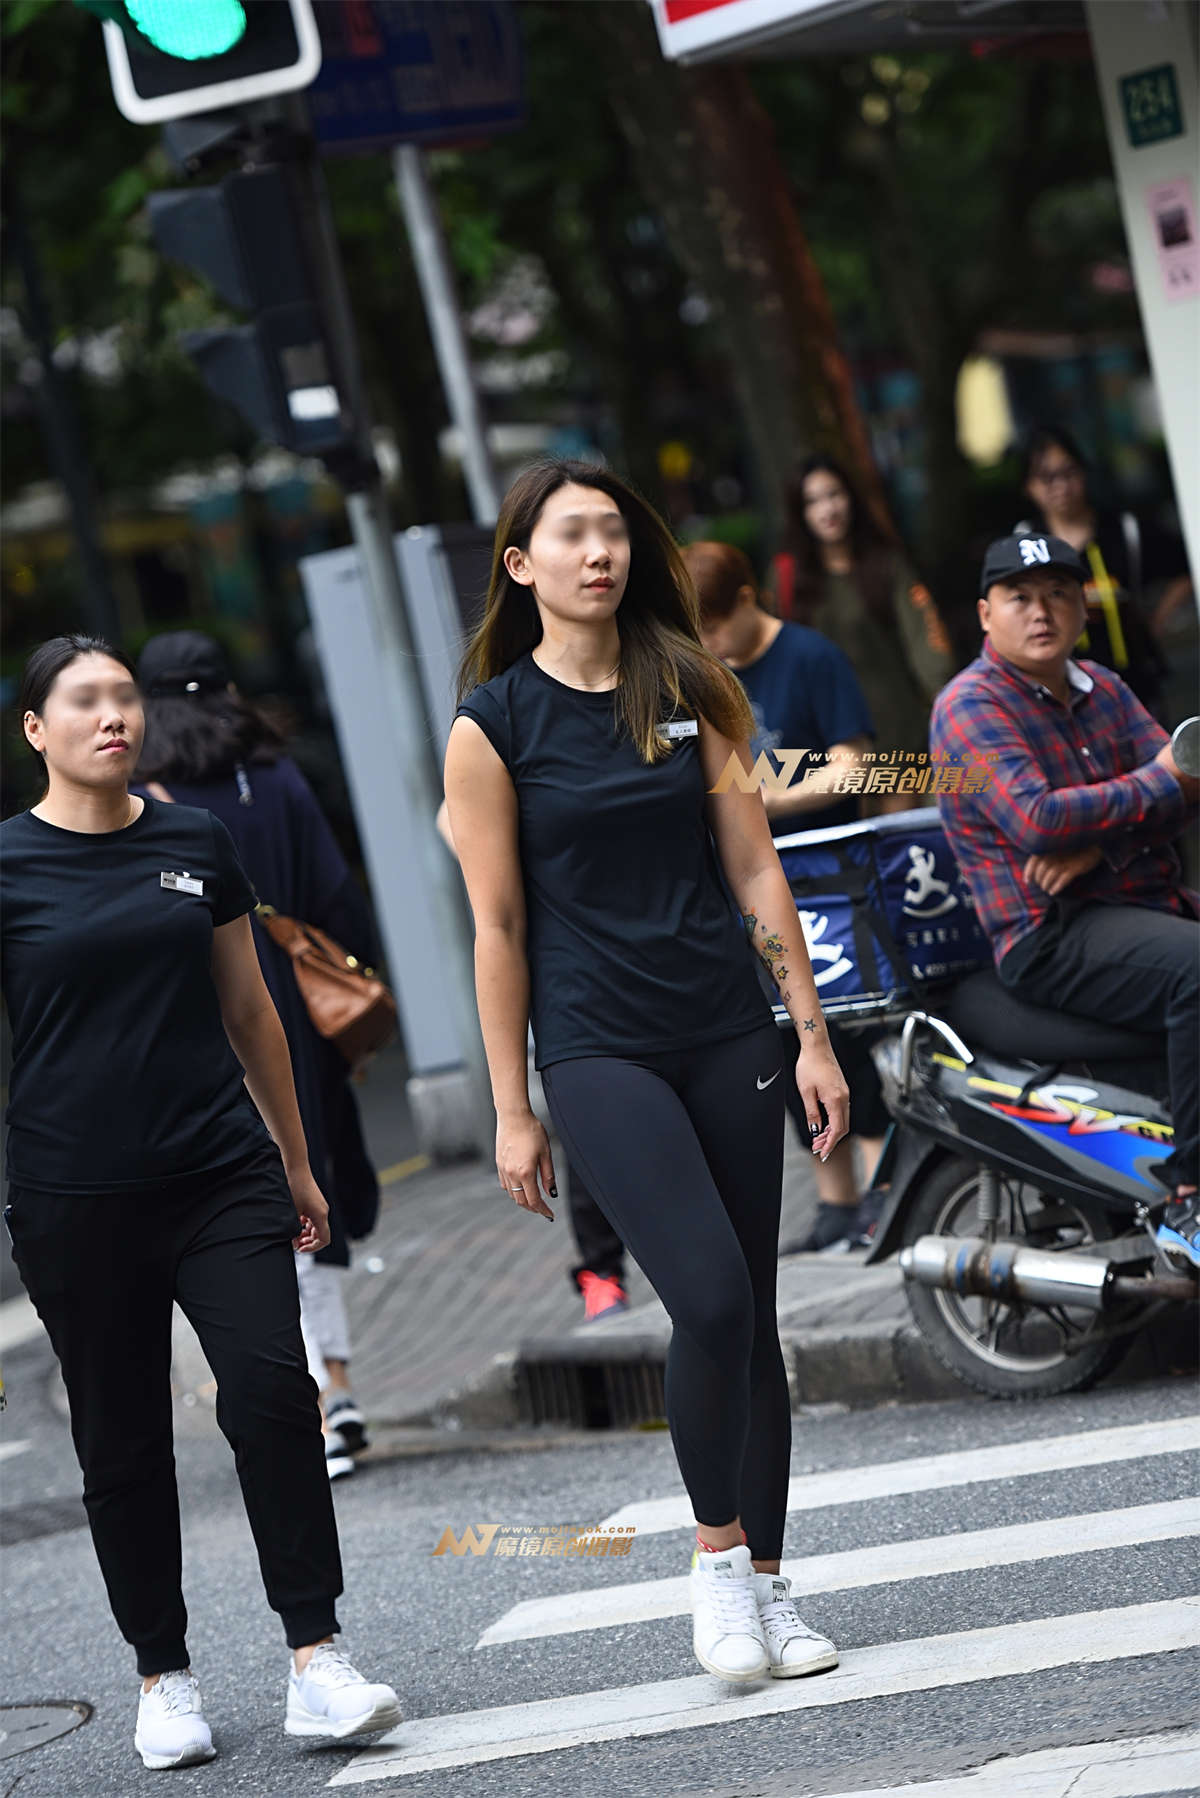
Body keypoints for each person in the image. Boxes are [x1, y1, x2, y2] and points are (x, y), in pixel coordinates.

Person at [445, 459, 849, 1684]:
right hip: (597, 1045)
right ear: (522, 565)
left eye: (613, 532)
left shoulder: (691, 684)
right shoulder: (491, 725)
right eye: (571, 534)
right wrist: (514, 1106)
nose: (599, 552)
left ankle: (773, 1590)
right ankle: (717, 1564)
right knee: (711, 1301)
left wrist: (813, 1031)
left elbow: (754, 867)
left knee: (756, 1323)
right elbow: (498, 927)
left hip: (729, 1027)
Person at [1, 637, 401, 1771]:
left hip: (219, 1169)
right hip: (74, 1193)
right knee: (120, 1440)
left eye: (123, 695)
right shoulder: (9, 865)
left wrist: (295, 1158)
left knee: (275, 1395)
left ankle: (317, 1658)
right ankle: (162, 1676)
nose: (112, 713)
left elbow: (253, 1013)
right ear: (37, 729)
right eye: (84, 700)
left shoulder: (195, 839)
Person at [132, 631, 380, 1481]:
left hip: (203, 1023)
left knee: (254, 1203)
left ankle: (313, 1402)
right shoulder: (273, 775)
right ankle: (338, 1385)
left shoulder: (140, 800)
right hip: (292, 1018)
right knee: (312, 1186)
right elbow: (336, 897)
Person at [929, 536, 1200, 1269]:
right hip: (1048, 932)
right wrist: (1157, 785)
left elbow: (1192, 788)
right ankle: (1189, 1200)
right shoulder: (969, 707)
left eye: (1057, 593)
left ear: (1083, 606)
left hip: (1134, 899)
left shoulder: (1103, 688)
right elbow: (1036, 819)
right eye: (1020, 597)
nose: (1041, 612)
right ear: (987, 615)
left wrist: (1101, 845)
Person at [686, 539, 890, 1252]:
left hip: (830, 883)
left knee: (851, 1037)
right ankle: (836, 1204)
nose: (707, 641)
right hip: (752, 893)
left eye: (714, 624)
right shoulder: (703, 678)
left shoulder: (811, 656)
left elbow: (857, 767)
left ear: (748, 599)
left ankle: (883, 1193)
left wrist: (770, 802)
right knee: (779, 1042)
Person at [435, 797, 630, 1322]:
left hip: (657, 957)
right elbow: (451, 815)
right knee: (587, 1130)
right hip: (568, 977)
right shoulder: (507, 725)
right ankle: (603, 1271)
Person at [769, 454, 954, 806]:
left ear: (851, 497)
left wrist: (947, 709)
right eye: (813, 501)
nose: (827, 509)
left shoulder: (886, 564)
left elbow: (927, 644)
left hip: (900, 735)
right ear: (800, 512)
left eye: (834, 494)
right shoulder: (786, 579)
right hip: (825, 750)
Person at [1014, 425, 1192, 716]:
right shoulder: (1025, 542)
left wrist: (1155, 622)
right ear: (1028, 486)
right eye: (1046, 477)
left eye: (1068, 472)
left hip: (1135, 686)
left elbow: (1184, 570)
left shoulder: (1124, 530)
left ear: (1084, 473)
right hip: (1063, 695)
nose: (1060, 486)